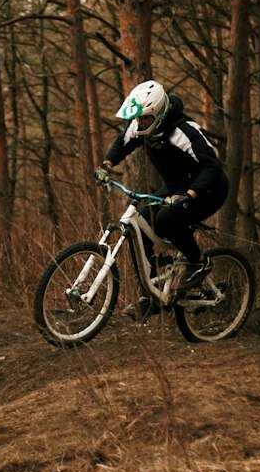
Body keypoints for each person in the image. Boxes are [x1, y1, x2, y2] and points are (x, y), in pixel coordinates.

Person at [96, 79, 228, 317]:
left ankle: (199, 262)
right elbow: (122, 142)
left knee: (167, 219)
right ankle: (152, 297)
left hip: (209, 187)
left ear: (158, 112)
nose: (139, 122)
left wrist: (190, 194)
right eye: (138, 118)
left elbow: (212, 166)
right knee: (141, 223)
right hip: (176, 185)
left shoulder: (184, 131)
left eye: (144, 118)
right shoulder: (142, 125)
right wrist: (107, 164)